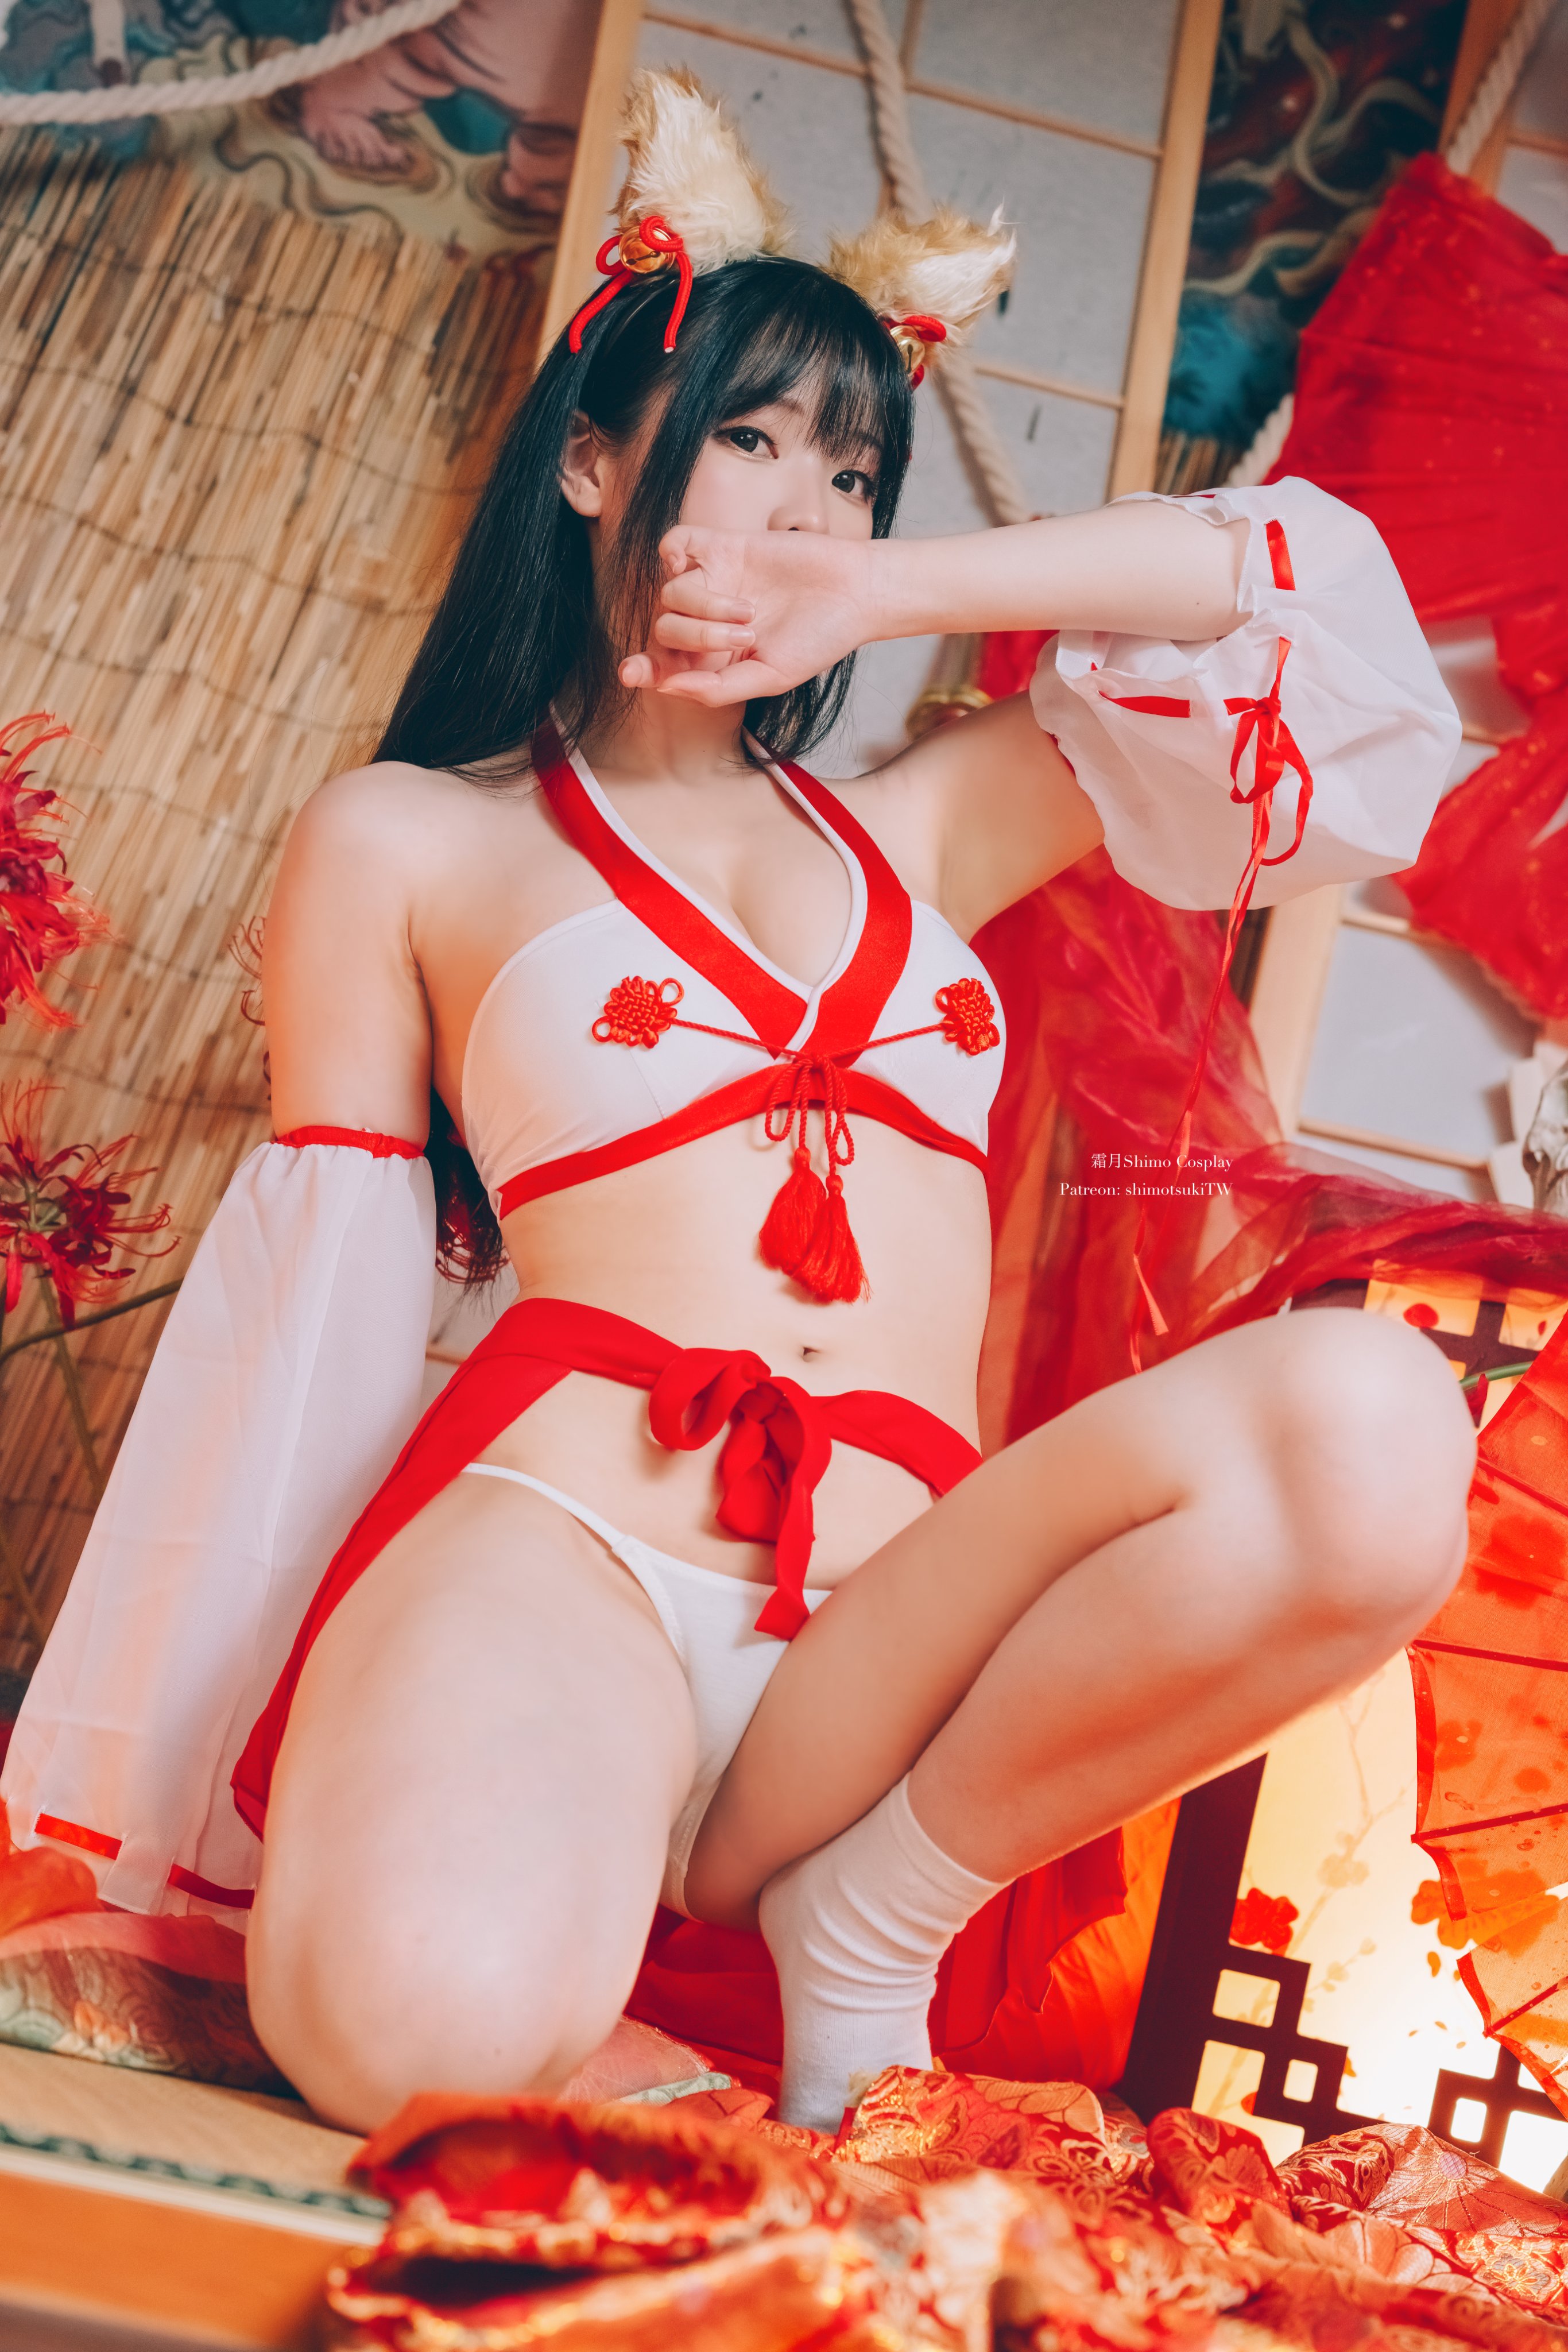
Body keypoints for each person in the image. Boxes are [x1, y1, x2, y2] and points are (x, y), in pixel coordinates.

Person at [2, 73, 1474, 2134]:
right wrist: (177, 1788)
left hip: (893, 1623)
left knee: (1382, 1427)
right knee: (406, 2036)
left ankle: (866, 1923)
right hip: (565, 1547)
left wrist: (890, 597)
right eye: (751, 438)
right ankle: (562, 1956)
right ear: (595, 460)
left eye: (848, 471)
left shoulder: (938, 825)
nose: (803, 501)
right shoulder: (409, 838)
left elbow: (1326, 617)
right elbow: (314, 1302)